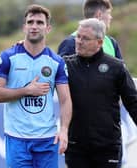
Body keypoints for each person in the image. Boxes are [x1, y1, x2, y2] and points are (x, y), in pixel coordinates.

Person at [0, 4, 72, 168]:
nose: (34, 26)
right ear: (24, 27)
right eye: (30, 22)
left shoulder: (56, 62)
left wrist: (64, 130)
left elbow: (65, 100)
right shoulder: (8, 57)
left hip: (47, 139)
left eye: (40, 23)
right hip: (17, 139)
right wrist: (27, 90)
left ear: (48, 28)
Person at [58, 0, 137, 165]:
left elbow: (133, 102)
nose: (78, 41)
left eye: (84, 39)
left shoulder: (116, 67)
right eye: (78, 37)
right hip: (76, 145)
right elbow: (45, 71)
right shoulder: (65, 64)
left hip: (107, 145)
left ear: (99, 42)